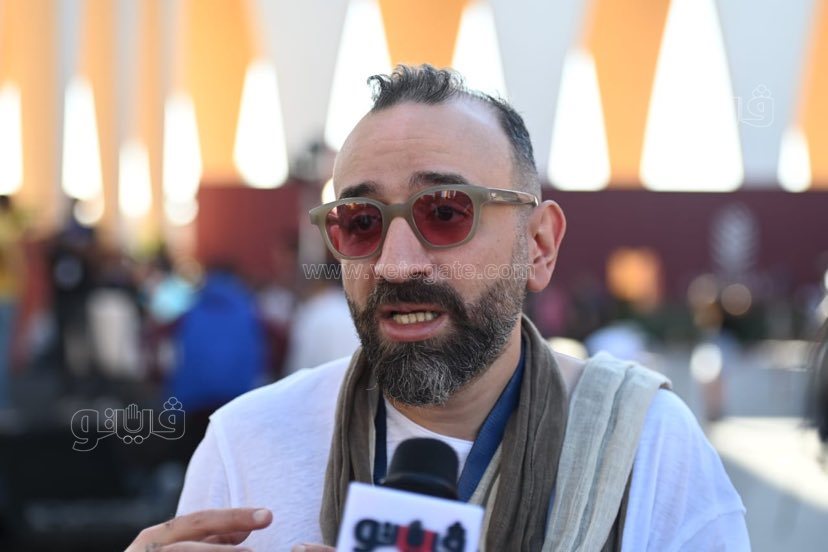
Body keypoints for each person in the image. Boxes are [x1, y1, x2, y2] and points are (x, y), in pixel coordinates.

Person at [127, 65, 749, 551]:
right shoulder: (246, 444)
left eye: (446, 212)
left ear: (538, 245)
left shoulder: (646, 445)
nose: (397, 265)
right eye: (361, 221)